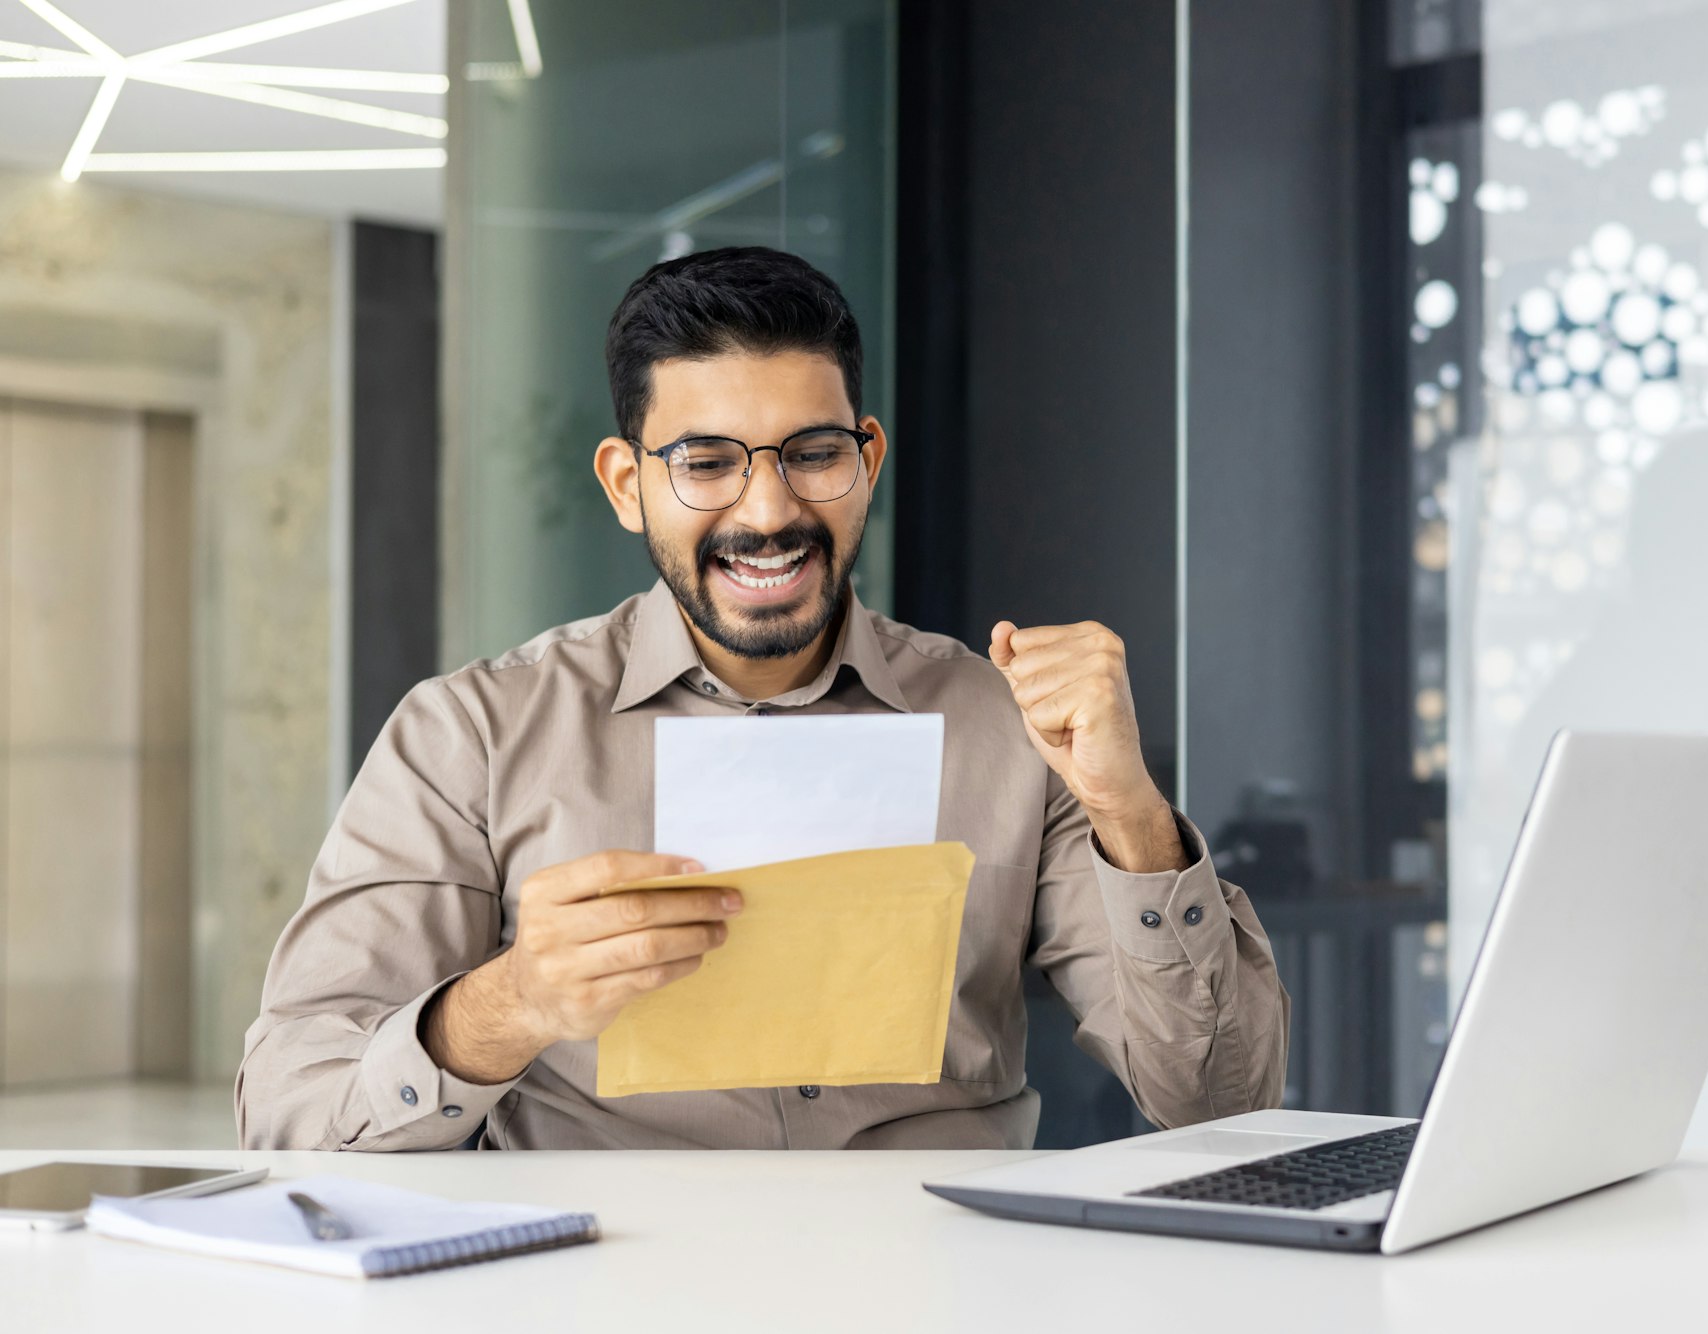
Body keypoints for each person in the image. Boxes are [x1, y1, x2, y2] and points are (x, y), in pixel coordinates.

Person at [236, 247, 1289, 1150]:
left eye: (812, 454)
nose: (769, 508)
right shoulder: (468, 735)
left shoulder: (1011, 726)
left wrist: (1129, 815)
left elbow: (1220, 1100)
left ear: (865, 461)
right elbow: (290, 1114)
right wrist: (509, 1003)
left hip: (941, 1285)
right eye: (705, 462)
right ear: (623, 483)